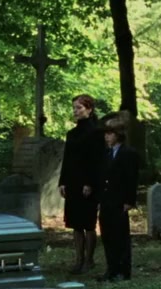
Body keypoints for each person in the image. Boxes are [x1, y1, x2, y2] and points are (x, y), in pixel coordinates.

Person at [58, 94, 104, 274]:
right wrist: (62, 182)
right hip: (72, 182)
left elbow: (96, 161)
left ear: (89, 109)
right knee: (76, 223)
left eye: (79, 108)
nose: (75, 111)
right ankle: (79, 259)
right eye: (74, 108)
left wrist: (90, 183)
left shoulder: (96, 132)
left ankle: (89, 259)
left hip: (88, 183)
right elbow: (67, 159)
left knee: (88, 223)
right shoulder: (72, 134)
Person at [97, 113, 139, 282]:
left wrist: (129, 200)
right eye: (106, 134)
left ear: (118, 134)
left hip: (120, 200)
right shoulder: (106, 153)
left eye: (110, 133)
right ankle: (111, 268)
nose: (106, 137)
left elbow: (131, 178)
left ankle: (123, 269)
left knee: (120, 236)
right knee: (107, 235)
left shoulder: (128, 153)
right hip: (106, 200)